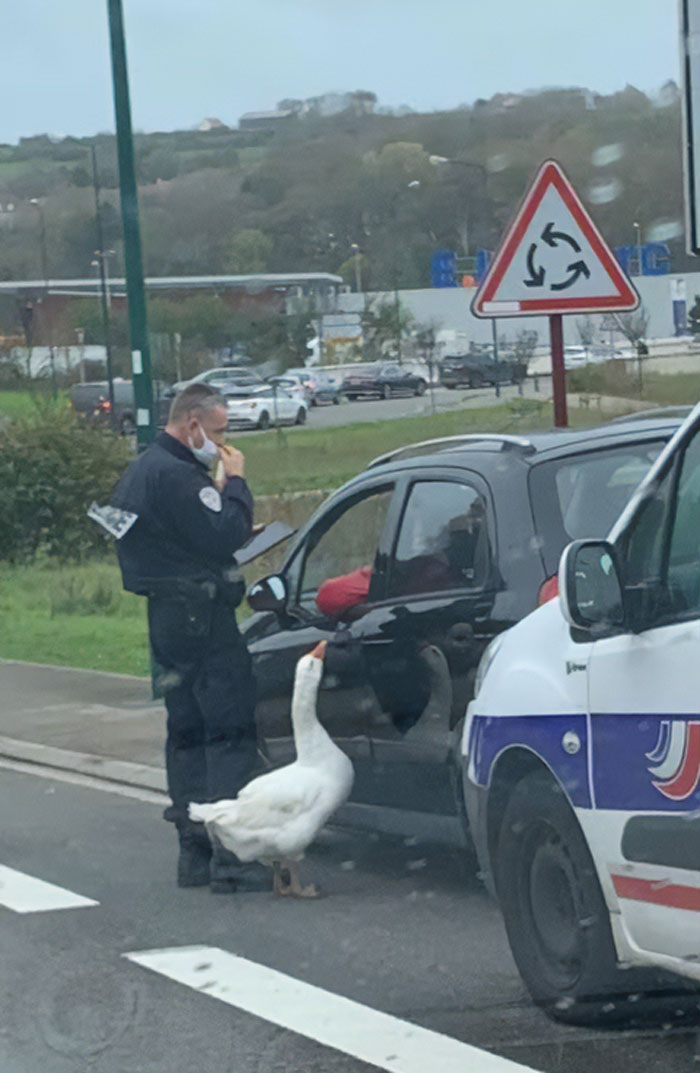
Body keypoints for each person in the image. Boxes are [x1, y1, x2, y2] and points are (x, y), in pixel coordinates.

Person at [110, 383, 270, 893]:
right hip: (205, 618)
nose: (223, 445)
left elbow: (165, 537)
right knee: (227, 732)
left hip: (167, 617)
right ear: (191, 424)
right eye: (219, 432)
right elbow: (222, 535)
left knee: (185, 734)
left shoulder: (141, 471)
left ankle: (194, 852)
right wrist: (237, 484)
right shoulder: (182, 478)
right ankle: (234, 859)